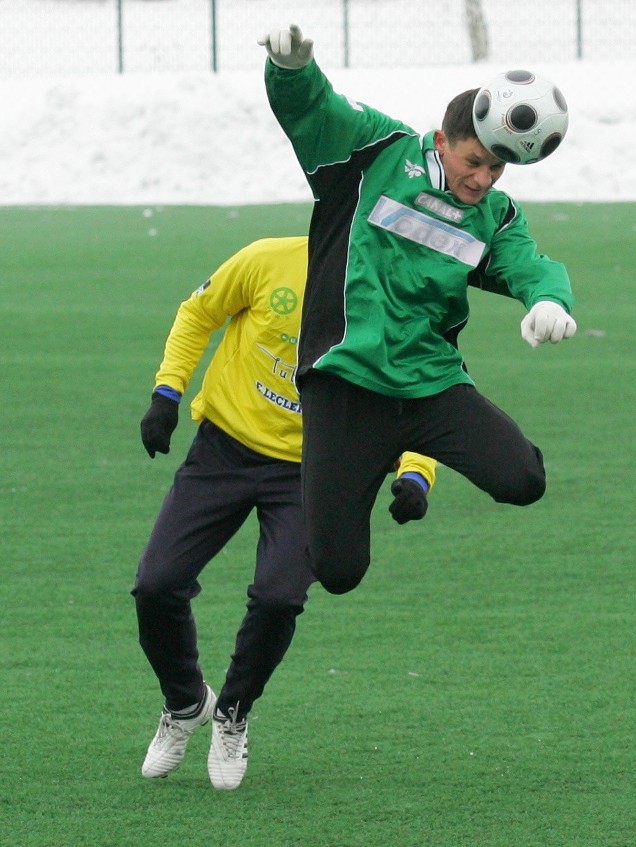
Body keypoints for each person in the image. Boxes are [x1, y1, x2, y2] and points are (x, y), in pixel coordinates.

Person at [258, 26, 577, 596]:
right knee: (338, 572)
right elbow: (316, 109)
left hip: (429, 384)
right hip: (346, 383)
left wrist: (549, 298)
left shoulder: (494, 215)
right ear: (443, 139)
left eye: (496, 169)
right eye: (474, 162)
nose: (481, 180)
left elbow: (526, 262)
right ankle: (370, 457)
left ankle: (404, 451)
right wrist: (291, 71)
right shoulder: (375, 151)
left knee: (523, 479)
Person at [132, 236, 438, 790]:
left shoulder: (399, 291)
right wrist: (166, 394)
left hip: (314, 471)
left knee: (278, 597)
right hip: (223, 448)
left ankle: (233, 712)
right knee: (156, 585)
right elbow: (198, 312)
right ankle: (184, 704)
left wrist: (416, 472)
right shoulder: (266, 258)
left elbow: (425, 386)